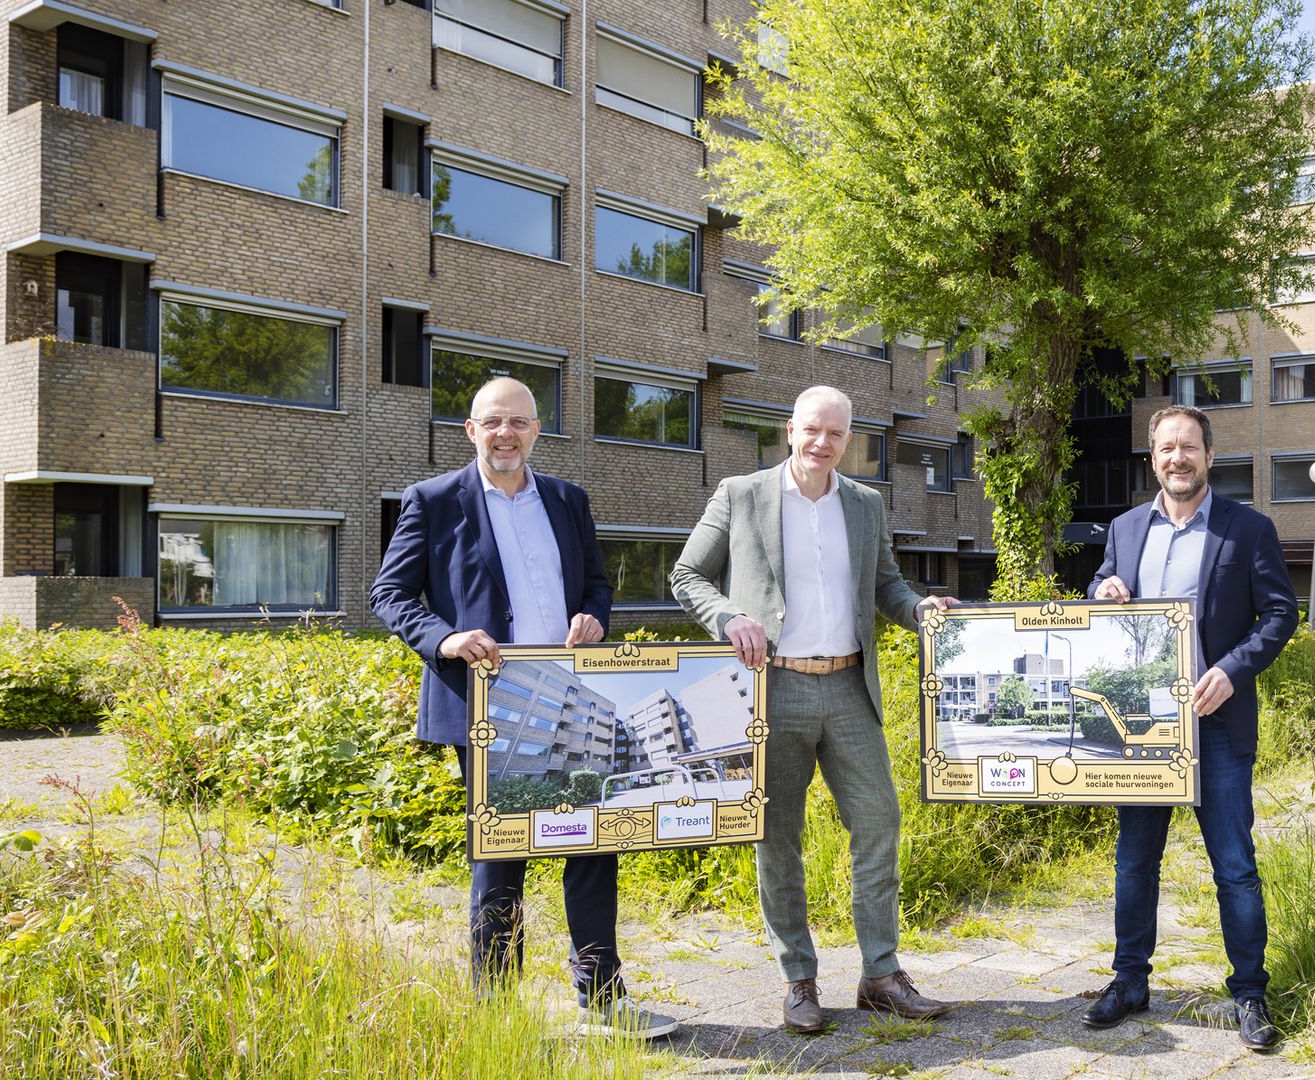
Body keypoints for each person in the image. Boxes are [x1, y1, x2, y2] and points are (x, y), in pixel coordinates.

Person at [371, 376, 675, 1038]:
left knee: (594, 846)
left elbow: (596, 582)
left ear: (537, 431)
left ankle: (602, 996)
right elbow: (390, 595)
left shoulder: (568, 500)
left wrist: (594, 616)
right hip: (486, 705)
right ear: (471, 431)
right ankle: (497, 1015)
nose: (506, 433)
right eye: (493, 422)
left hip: (572, 701)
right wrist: (444, 638)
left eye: (519, 422)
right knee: (501, 856)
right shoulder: (431, 501)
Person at [671, 384, 957, 1033]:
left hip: (850, 686)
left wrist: (918, 610)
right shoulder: (741, 495)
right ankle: (798, 979)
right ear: (789, 430)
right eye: (812, 430)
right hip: (774, 688)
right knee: (777, 839)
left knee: (879, 821)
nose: (822, 442)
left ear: (846, 440)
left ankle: (881, 974)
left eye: (835, 433)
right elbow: (687, 575)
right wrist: (729, 616)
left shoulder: (864, 504)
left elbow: (885, 584)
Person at [1083, 403, 1299, 1050]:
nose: (1178, 458)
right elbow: (1100, 584)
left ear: (1209, 455)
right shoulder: (1124, 529)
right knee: (1133, 864)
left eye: (1189, 448)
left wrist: (1233, 670)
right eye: (1166, 449)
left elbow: (1280, 615)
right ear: (1153, 458)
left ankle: (1250, 993)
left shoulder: (1247, 529)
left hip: (1217, 725)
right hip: (1143, 730)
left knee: (1233, 865)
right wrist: (1102, 592)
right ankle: (1129, 982)